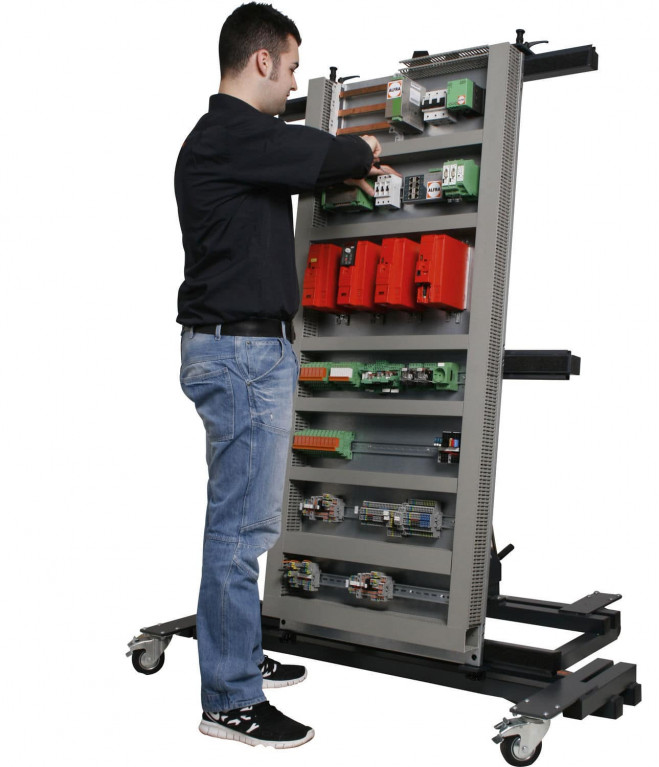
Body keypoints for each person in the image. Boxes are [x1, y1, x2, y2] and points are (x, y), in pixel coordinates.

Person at [175, 2, 394, 750]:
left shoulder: (238, 149)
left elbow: (305, 169)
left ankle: (237, 652)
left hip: (246, 352)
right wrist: (364, 149)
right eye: (292, 66)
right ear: (262, 59)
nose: (295, 81)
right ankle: (230, 698)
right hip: (241, 356)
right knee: (241, 530)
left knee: (247, 522)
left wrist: (344, 176)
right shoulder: (231, 133)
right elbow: (323, 150)